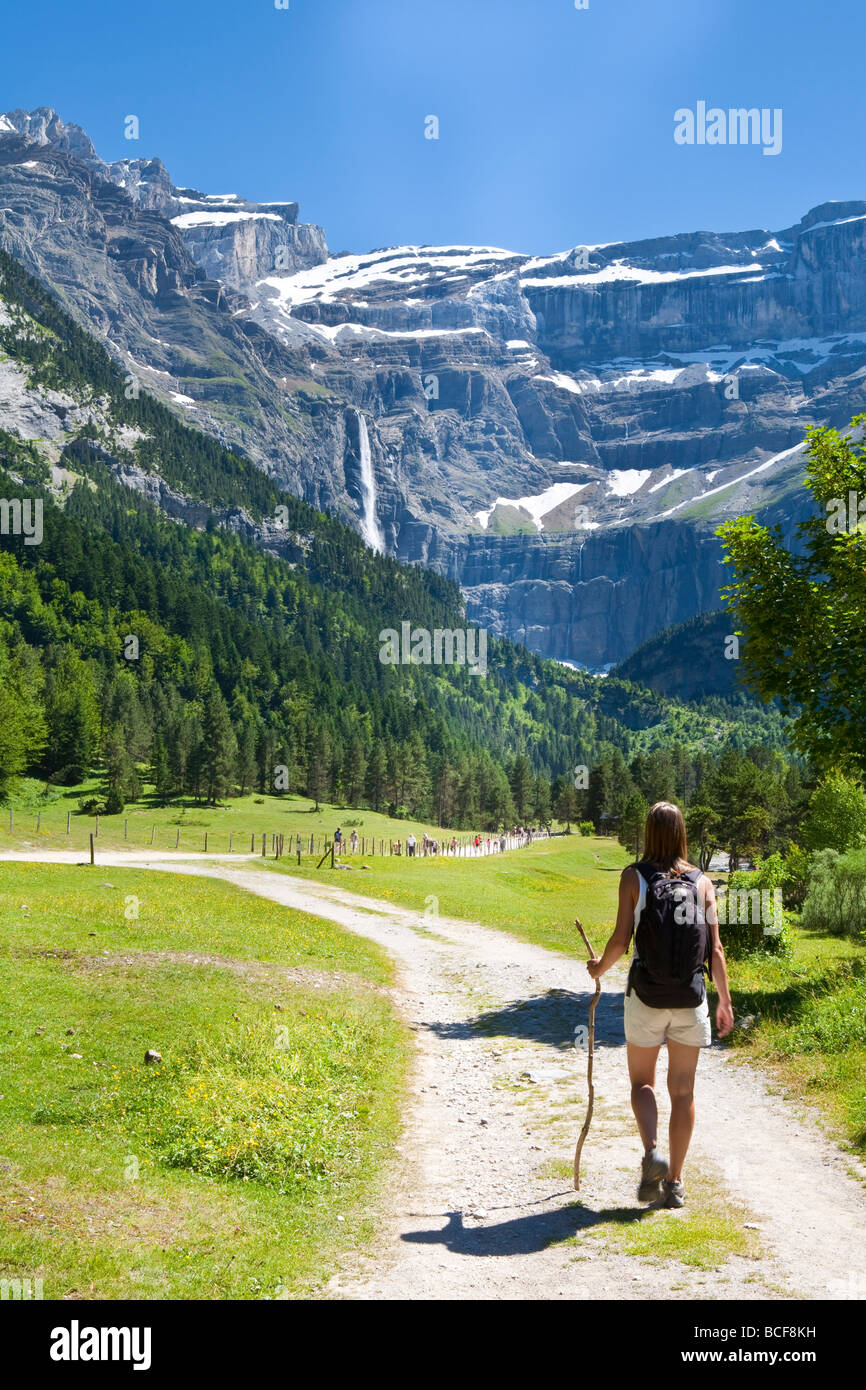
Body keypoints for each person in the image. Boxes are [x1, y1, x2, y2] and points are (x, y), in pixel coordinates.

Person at [586, 801, 733, 1209]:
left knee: (642, 1084)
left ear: (649, 833)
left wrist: (599, 968)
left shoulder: (634, 877)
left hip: (647, 997)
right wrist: (724, 1001)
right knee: (683, 1093)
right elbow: (715, 950)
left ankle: (652, 1150)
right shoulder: (703, 883)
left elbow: (621, 940)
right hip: (690, 999)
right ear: (682, 833)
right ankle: (676, 1183)